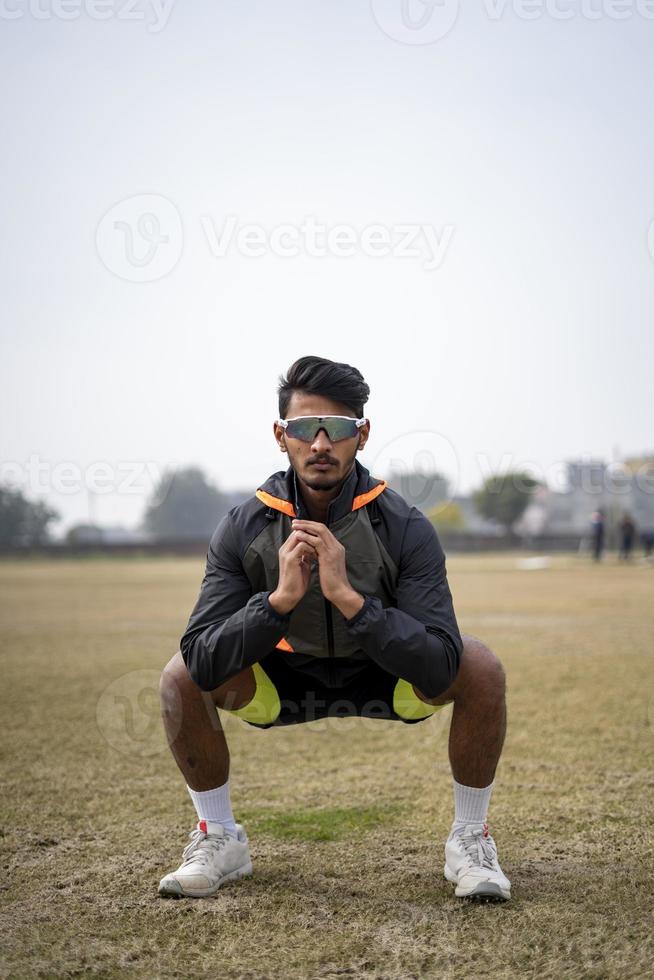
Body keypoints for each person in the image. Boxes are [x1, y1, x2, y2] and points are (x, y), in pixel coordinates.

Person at [158, 356, 510, 902]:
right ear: (282, 436)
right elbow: (203, 661)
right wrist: (276, 602)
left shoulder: (405, 526)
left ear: (361, 435)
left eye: (338, 428)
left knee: (480, 665)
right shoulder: (243, 526)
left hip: (385, 678)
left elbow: (441, 664)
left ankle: (470, 839)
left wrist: (351, 601)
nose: (320, 443)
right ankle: (218, 836)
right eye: (304, 428)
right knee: (178, 676)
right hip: (282, 684)